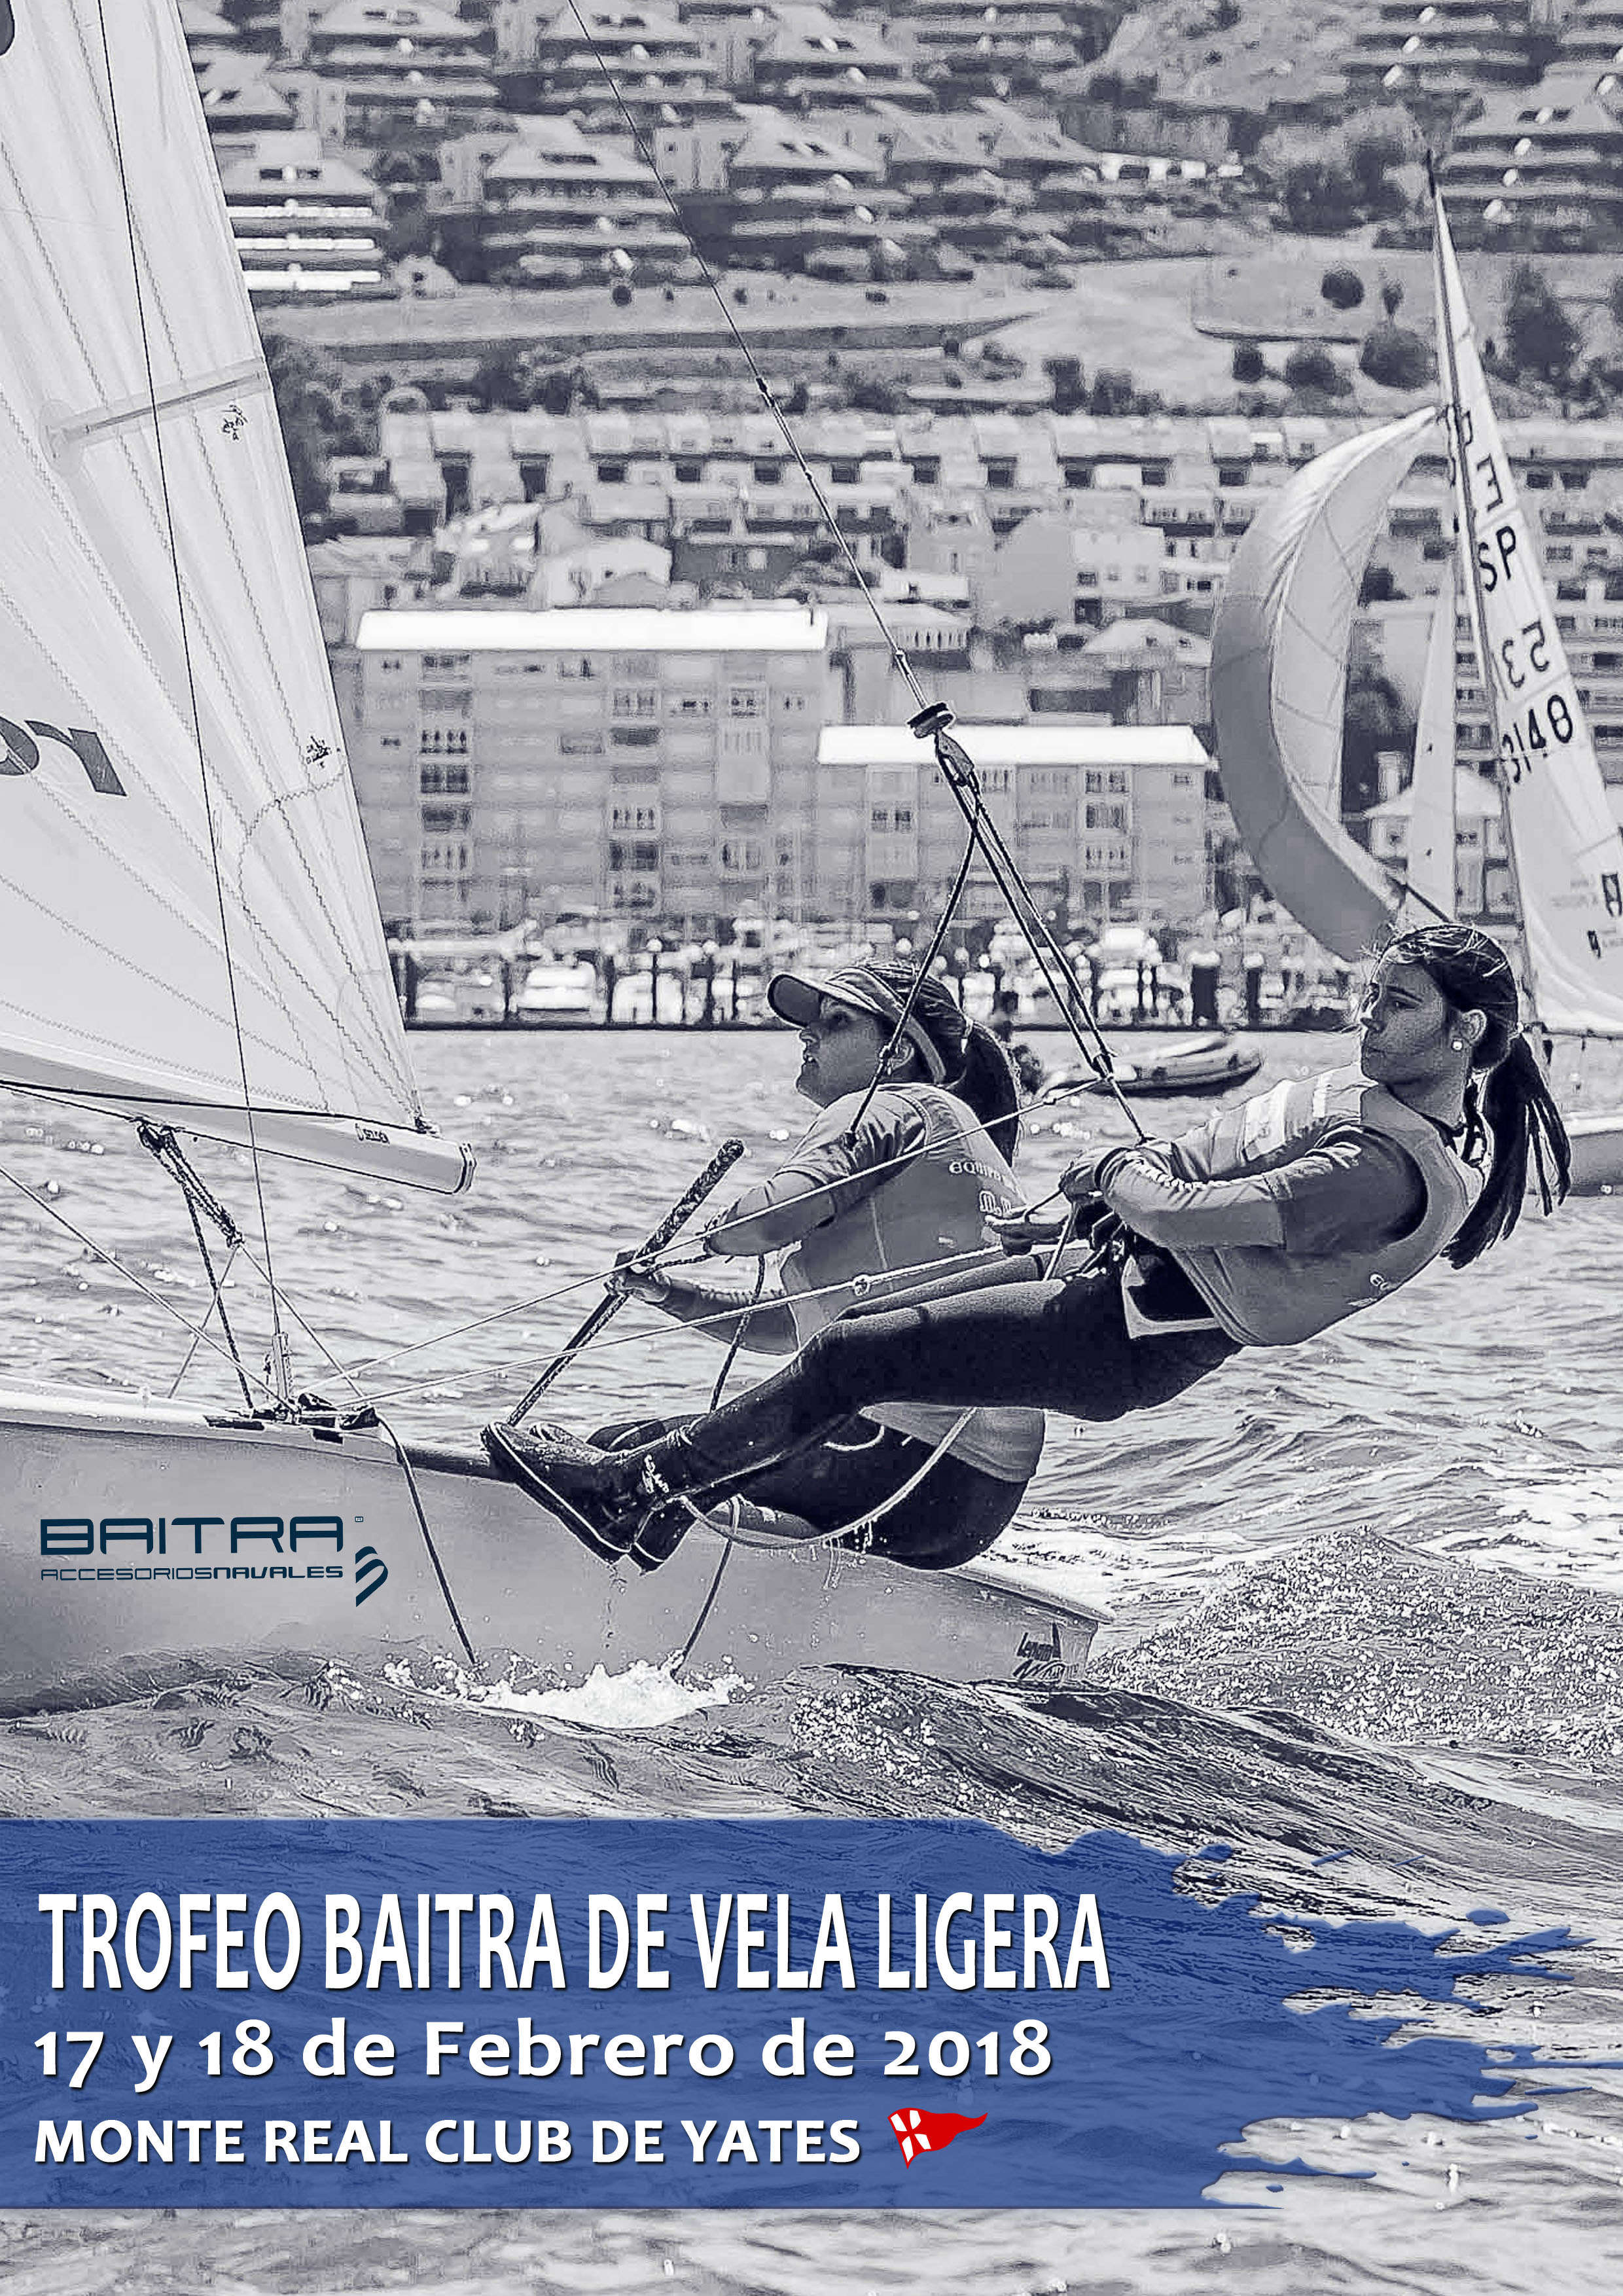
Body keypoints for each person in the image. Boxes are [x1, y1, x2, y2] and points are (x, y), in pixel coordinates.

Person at [485, 924, 1569, 1566]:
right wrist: (1070, 1215)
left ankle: (640, 1493)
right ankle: (657, 1496)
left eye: (1397, 1005)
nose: (1368, 1020)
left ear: (1465, 1030)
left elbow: (1187, 1217)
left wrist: (1116, 1173)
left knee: (853, 1354)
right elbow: (1186, 1194)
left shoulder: (1383, 1171)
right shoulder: (1368, 1111)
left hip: (1122, 1338)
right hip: (1099, 1276)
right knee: (862, 1330)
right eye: (1371, 996)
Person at [485, 961, 1044, 1571]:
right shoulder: (968, 1139)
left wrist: (720, 1232)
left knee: (616, 1452)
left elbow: (769, 1220)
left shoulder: (888, 1105)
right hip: (974, 1503)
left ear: (899, 1050)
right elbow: (788, 1326)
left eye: (836, 1022)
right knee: (672, 1459)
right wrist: (675, 1295)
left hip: (892, 1459)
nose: (808, 1035)